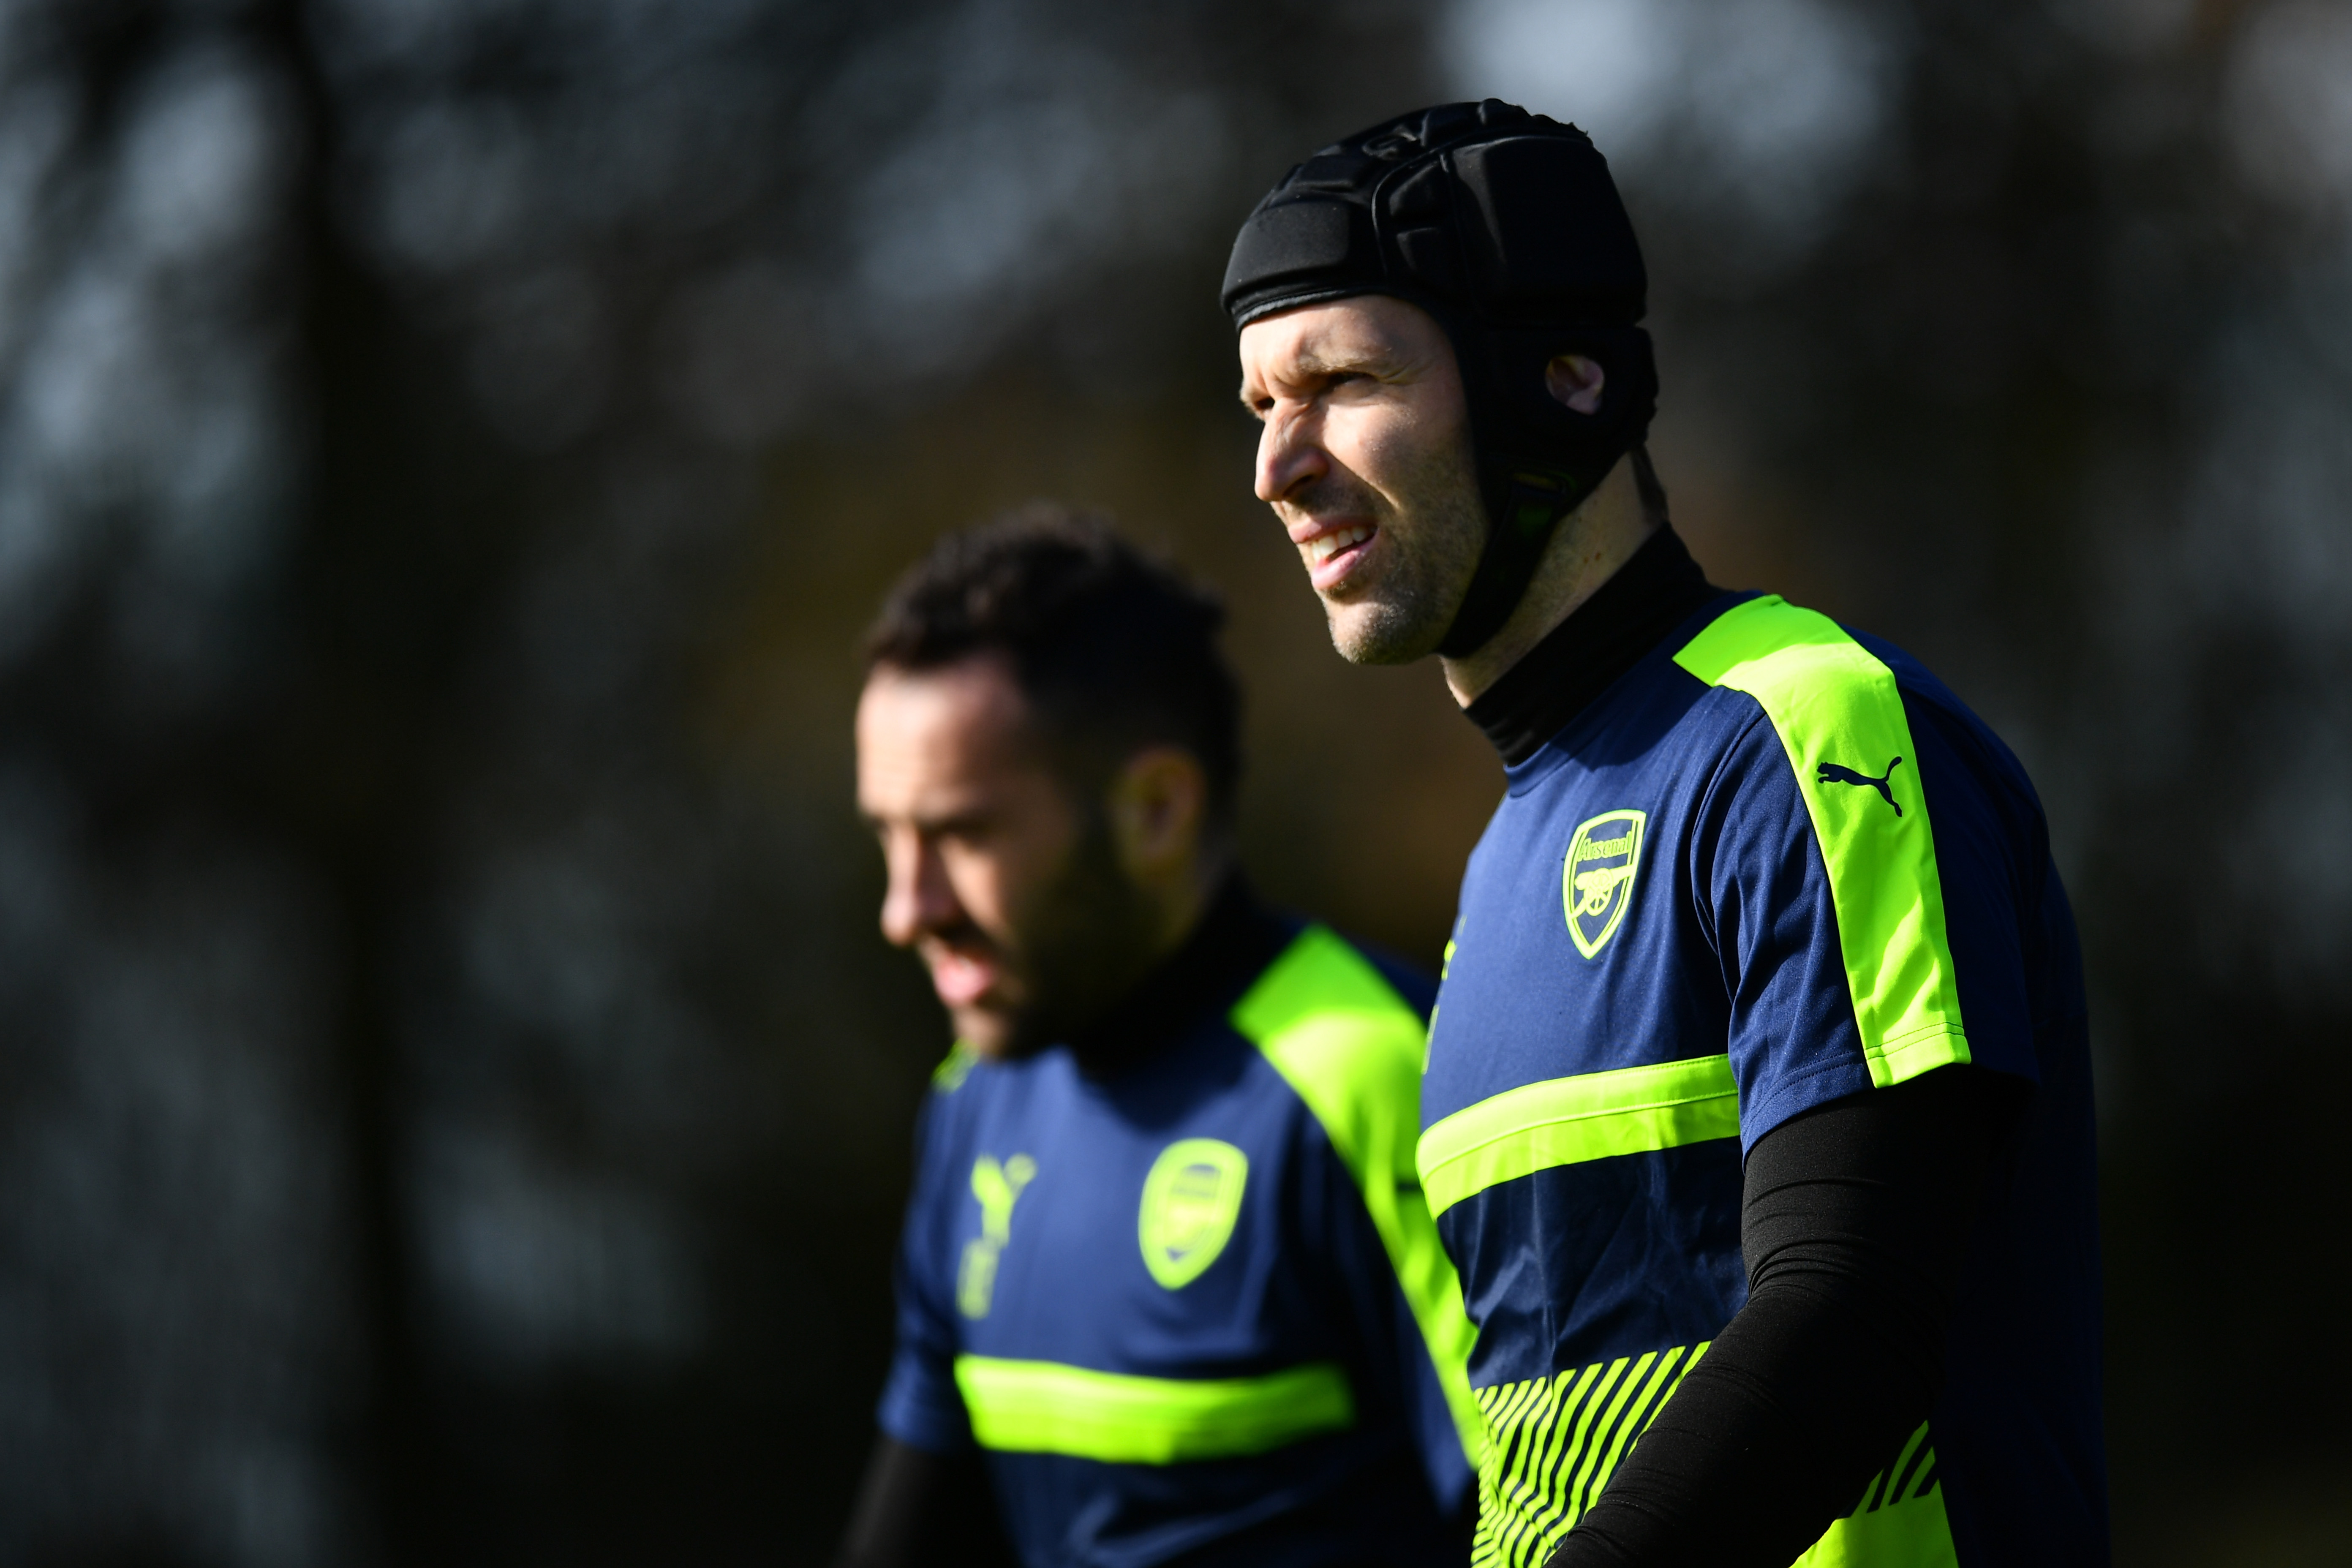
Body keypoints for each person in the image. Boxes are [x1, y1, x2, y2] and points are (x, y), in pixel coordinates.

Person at [1222, 101, 2107, 1567]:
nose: (1276, 468)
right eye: (1259, 406)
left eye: (1340, 381)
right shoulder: (1500, 864)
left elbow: (1847, 1315)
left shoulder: (1806, 731)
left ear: (1559, 381)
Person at [837, 508, 1482, 1568]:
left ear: (1155, 811)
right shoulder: (973, 1102)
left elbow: (1564, 1522)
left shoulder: (1376, 1077)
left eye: (959, 833)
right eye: (888, 837)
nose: (907, 909)